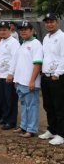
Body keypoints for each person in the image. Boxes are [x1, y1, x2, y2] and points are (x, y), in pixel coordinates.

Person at [11, 21, 43, 138]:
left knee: (32, 106)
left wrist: (32, 80)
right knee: (24, 105)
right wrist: (16, 80)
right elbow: (20, 64)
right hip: (20, 82)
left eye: (26, 29)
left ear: (32, 31)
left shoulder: (36, 44)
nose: (23, 31)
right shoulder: (22, 44)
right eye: (21, 29)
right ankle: (23, 126)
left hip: (30, 82)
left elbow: (38, 64)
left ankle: (31, 129)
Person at [39, 13, 64, 145]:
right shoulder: (46, 37)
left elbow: (63, 57)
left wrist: (58, 73)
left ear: (57, 22)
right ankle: (52, 130)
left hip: (57, 77)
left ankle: (61, 133)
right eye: (47, 22)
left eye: (51, 21)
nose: (49, 24)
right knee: (48, 105)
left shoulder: (62, 37)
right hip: (46, 76)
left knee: (59, 106)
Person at [0, 21, 20, 130]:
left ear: (10, 30)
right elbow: (1, 58)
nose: (2, 32)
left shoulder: (13, 42)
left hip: (9, 76)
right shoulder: (1, 42)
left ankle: (11, 121)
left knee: (10, 99)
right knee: (3, 99)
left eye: (4, 30)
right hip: (2, 75)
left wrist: (11, 74)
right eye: (0, 30)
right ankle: (5, 118)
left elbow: (15, 59)